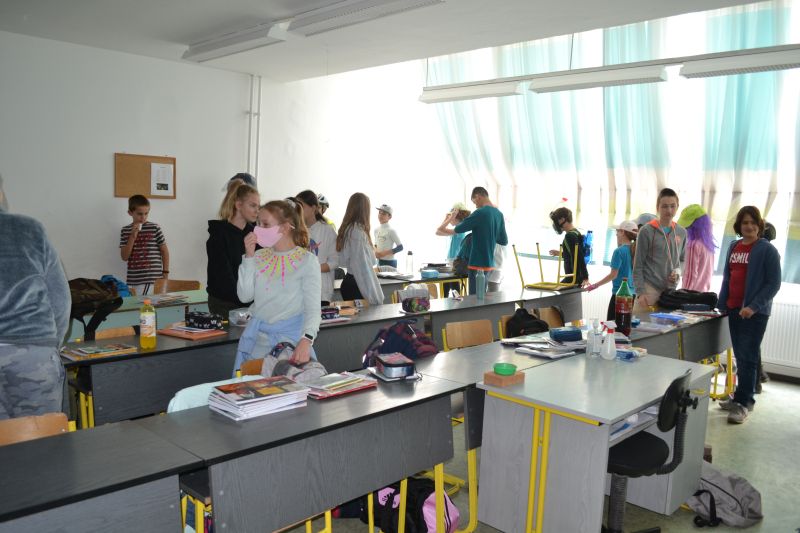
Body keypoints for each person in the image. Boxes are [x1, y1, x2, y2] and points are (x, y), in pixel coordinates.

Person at [0, 175, 69, 419]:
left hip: (34, 348)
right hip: (33, 353)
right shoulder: (30, 229)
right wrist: (50, 344)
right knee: (42, 438)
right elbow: (60, 299)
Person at [233, 199, 321, 375]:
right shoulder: (258, 256)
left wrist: (306, 340)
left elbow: (313, 309)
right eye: (257, 223)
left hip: (291, 344)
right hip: (258, 343)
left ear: (285, 228)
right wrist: (249, 257)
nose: (258, 229)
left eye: (265, 224)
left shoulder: (307, 261)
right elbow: (244, 296)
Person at [717, 206, 781, 424]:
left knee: (748, 359)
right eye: (745, 222)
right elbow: (727, 277)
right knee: (740, 357)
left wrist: (753, 307)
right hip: (733, 309)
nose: (749, 226)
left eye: (753, 222)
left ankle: (744, 403)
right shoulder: (734, 246)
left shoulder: (767, 250)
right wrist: (722, 304)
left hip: (754, 314)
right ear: (739, 225)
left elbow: (773, 284)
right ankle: (739, 397)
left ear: (759, 225)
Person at [206, 182, 259, 317]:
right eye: (253, 205)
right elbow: (223, 277)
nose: (257, 211)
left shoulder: (256, 234)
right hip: (224, 304)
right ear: (238, 205)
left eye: (258, 207)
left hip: (250, 304)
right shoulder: (219, 235)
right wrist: (245, 297)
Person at [632, 188, 687, 312]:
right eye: (665, 206)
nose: (669, 210)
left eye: (672, 206)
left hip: (670, 293)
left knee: (666, 325)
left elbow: (683, 260)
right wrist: (640, 292)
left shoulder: (682, 232)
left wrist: (678, 271)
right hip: (649, 289)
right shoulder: (646, 231)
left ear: (677, 207)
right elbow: (638, 265)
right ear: (658, 207)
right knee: (641, 324)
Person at [453, 187, 508, 295]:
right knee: (487, 297)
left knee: (475, 297)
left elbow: (458, 229)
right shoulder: (498, 214)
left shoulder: (480, 213)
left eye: (475, 202)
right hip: (492, 264)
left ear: (478, 196)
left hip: (478, 264)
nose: (476, 206)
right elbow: (503, 240)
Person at [336, 193, 383, 305]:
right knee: (368, 314)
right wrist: (373, 295)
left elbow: (343, 260)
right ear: (364, 210)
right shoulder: (357, 232)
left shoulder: (349, 229)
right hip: (358, 284)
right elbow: (364, 265)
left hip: (351, 281)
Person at [586, 220, 637, 319]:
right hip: (632, 295)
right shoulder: (635, 250)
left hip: (620, 295)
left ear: (623, 232)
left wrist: (595, 285)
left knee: (612, 324)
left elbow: (613, 275)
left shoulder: (619, 251)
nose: (616, 234)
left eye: (617, 231)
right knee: (626, 324)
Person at [119, 195, 169, 296]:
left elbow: (164, 251)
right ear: (130, 213)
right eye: (139, 214)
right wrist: (132, 236)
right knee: (137, 305)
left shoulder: (154, 227)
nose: (143, 217)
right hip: (133, 279)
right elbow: (124, 257)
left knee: (147, 305)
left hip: (152, 279)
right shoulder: (125, 230)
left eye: (146, 213)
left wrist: (165, 274)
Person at [295, 190, 339, 304]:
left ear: (314, 208)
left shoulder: (327, 230)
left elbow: (335, 261)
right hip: (299, 291)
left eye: (301, 206)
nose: (298, 210)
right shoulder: (296, 230)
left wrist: (312, 269)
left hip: (321, 292)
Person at [677, 204, 716, 292]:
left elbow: (690, 275)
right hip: (703, 294)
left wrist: (683, 294)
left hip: (691, 295)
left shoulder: (693, 245)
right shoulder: (708, 244)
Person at [548, 207, 589, 287]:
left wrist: (585, 276)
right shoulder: (576, 232)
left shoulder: (570, 236)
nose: (555, 223)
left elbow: (579, 256)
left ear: (562, 219)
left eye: (556, 220)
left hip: (572, 278)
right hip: (575, 277)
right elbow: (573, 254)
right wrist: (560, 253)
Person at [373, 204, 404, 268]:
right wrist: (376, 252)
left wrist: (383, 254)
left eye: (384, 214)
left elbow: (400, 247)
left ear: (390, 217)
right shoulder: (376, 230)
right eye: (379, 213)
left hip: (389, 263)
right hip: (379, 262)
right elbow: (376, 244)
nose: (380, 215)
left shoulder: (391, 231)